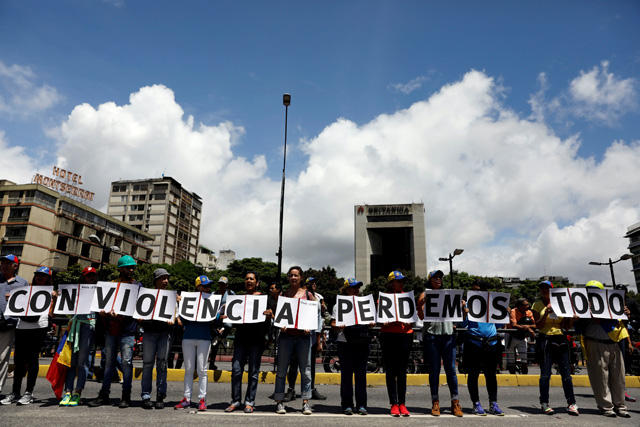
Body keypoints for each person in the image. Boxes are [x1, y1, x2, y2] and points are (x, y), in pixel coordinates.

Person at [89, 255, 141, 409]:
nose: (131, 270)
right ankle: (104, 394)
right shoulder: (111, 285)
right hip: (112, 329)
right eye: (128, 267)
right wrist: (103, 312)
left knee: (126, 363)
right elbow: (101, 306)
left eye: (133, 267)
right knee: (109, 363)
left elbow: (140, 308)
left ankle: (126, 395)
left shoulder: (138, 286)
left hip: (128, 330)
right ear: (120, 269)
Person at [575, 280, 632, 418]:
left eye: (595, 290)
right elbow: (579, 325)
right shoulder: (581, 306)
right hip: (595, 342)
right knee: (600, 377)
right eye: (589, 290)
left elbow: (622, 323)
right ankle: (606, 406)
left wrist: (626, 314)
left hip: (614, 342)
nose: (591, 293)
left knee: (619, 377)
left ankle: (620, 406)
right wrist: (582, 314)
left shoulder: (612, 303)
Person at [1, 266, 55, 405]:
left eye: (43, 275)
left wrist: (54, 301)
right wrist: (12, 300)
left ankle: (28, 392)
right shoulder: (26, 291)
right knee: (18, 360)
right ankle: (15, 392)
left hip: (39, 327)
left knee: (32, 360)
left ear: (48, 278)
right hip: (22, 326)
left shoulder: (52, 293)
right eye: (38, 275)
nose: (40, 277)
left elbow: (52, 314)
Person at [417, 270, 463, 417]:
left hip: (448, 335)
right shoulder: (425, 295)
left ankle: (455, 401)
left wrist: (461, 307)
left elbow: (458, 316)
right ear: (429, 280)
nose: (438, 279)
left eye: (440, 277)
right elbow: (421, 316)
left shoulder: (449, 295)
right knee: (434, 370)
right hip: (432, 336)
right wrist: (420, 305)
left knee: (451, 370)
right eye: (435, 277)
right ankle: (435, 401)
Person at [272, 266, 317, 415]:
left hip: (303, 337)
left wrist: (309, 327)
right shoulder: (283, 295)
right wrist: (281, 326)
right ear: (288, 277)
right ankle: (279, 402)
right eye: (291, 275)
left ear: (301, 277)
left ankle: (305, 403)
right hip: (286, 337)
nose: (293, 278)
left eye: (296, 275)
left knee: (306, 371)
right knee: (281, 371)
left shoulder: (308, 295)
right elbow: (279, 317)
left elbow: (314, 314)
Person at [225, 271, 271, 413]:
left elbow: (269, 319)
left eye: (251, 279)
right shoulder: (239, 298)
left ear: (257, 283)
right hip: (240, 340)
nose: (248, 281)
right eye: (246, 279)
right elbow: (233, 319)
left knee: (253, 372)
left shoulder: (264, 299)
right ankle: (236, 400)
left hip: (256, 340)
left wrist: (269, 315)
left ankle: (249, 401)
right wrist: (227, 316)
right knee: (236, 370)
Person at [532, 280, 578, 416]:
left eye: (547, 288)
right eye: (542, 288)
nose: (545, 290)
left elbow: (565, 327)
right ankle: (544, 403)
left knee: (567, 375)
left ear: (552, 290)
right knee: (545, 375)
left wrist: (572, 319)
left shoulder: (561, 303)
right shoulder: (537, 305)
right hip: (545, 339)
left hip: (560, 338)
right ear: (540, 291)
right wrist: (546, 313)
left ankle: (572, 403)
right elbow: (538, 326)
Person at [461, 278, 504, 416]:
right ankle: (476, 403)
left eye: (478, 290)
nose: (475, 292)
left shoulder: (492, 304)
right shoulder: (467, 304)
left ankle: (493, 403)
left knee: (491, 375)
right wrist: (464, 313)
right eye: (473, 290)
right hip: (473, 342)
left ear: (485, 291)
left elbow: (498, 325)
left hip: (491, 343)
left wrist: (505, 312)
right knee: (473, 375)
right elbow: (462, 325)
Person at [331, 278, 372, 415]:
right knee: (346, 376)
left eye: (357, 288)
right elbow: (332, 323)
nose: (356, 290)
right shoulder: (338, 306)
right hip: (345, 343)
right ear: (346, 290)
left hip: (362, 342)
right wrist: (338, 325)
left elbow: (372, 320)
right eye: (353, 287)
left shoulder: (364, 303)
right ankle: (347, 405)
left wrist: (372, 323)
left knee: (361, 376)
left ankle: (361, 405)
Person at [59, 267, 98, 407]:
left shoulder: (100, 291)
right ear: (83, 277)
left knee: (83, 362)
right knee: (71, 362)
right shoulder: (75, 290)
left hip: (89, 326)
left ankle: (78, 393)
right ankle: (68, 392)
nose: (90, 278)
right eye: (88, 276)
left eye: (93, 275)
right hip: (75, 327)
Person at [175, 275, 214, 411]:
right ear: (198, 287)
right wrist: (179, 305)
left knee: (202, 370)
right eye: (205, 286)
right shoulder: (189, 300)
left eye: (209, 286)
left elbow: (215, 319)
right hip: (189, 337)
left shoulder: (211, 301)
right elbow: (182, 321)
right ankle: (187, 398)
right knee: (189, 370)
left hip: (204, 338)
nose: (208, 288)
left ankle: (202, 399)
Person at [283, 277, 326, 402]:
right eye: (308, 285)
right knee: (293, 364)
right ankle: (291, 389)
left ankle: (310, 390)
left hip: (310, 338)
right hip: (295, 336)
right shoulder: (295, 297)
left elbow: (318, 321)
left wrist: (318, 341)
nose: (312, 286)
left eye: (313, 283)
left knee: (310, 366)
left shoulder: (316, 299)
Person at [380, 271, 413, 417]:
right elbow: (379, 317)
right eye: (398, 281)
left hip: (405, 335)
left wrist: (410, 320)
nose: (401, 284)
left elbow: (414, 317)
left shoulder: (407, 297)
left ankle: (402, 403)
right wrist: (383, 322)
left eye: (402, 281)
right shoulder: (383, 298)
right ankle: (393, 403)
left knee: (401, 371)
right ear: (391, 283)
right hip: (388, 335)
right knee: (391, 371)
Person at [140, 268, 174, 410]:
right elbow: (140, 311)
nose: (166, 281)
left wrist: (174, 318)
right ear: (156, 280)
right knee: (147, 364)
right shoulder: (147, 294)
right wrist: (140, 318)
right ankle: (146, 396)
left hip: (164, 334)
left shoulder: (171, 297)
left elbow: (176, 314)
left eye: (167, 278)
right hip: (149, 333)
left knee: (162, 364)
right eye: (163, 278)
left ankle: (160, 395)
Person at [0, 254, 28, 398]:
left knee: (2, 357)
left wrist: (15, 299)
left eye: (8, 263)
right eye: (3, 262)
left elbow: (28, 304)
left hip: (9, 324)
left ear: (15, 266)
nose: (4, 265)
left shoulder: (22, 283)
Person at [209, 276, 234, 370]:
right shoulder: (213, 294)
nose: (222, 285)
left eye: (224, 284)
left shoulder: (231, 293)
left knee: (229, 325)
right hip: (215, 319)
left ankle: (220, 337)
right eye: (220, 283)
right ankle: (212, 362)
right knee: (214, 344)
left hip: (226, 319)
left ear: (227, 285)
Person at [506, 298, 535, 374]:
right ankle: (513, 376)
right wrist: (527, 328)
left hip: (522, 337)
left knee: (524, 359)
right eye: (526, 305)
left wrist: (527, 327)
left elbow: (535, 324)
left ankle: (524, 376)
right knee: (511, 359)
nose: (528, 306)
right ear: (520, 306)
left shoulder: (529, 312)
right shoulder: (513, 311)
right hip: (511, 336)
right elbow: (514, 324)